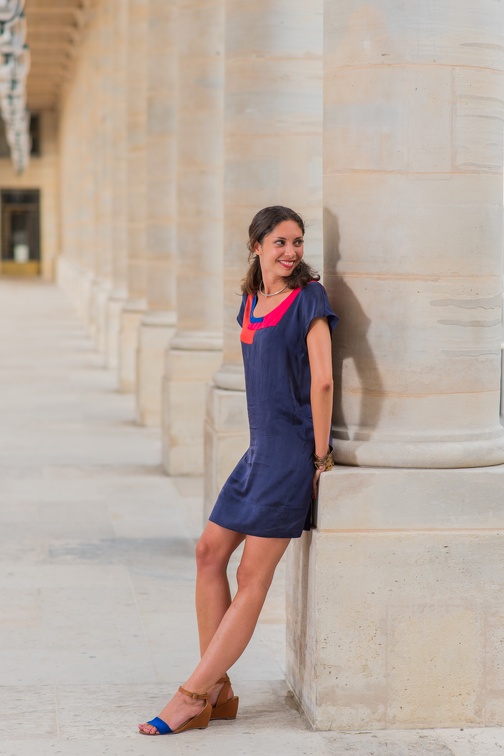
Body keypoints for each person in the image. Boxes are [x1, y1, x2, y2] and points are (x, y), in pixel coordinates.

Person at [138, 205, 338, 736]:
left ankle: (192, 695)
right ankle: (220, 689)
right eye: (280, 242)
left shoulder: (310, 299)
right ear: (256, 246)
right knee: (208, 553)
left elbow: (323, 381)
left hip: (292, 452)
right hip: (257, 452)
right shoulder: (251, 302)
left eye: (297, 241)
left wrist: (320, 458)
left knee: (251, 576)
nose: (291, 251)